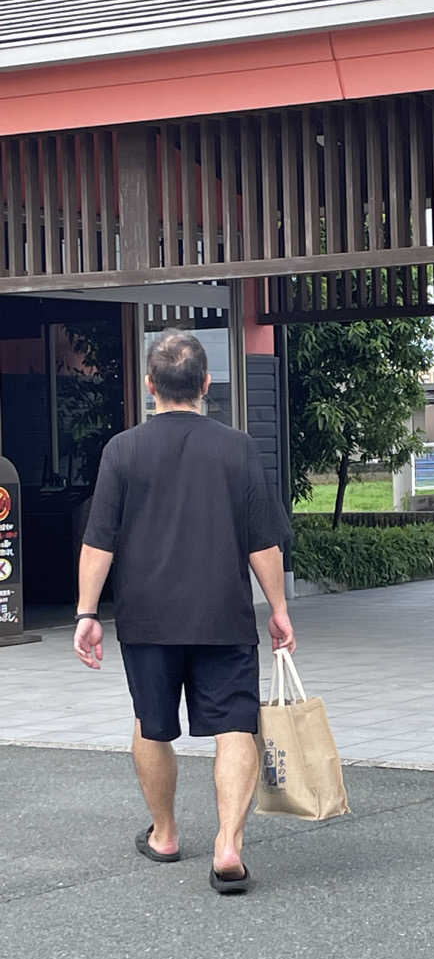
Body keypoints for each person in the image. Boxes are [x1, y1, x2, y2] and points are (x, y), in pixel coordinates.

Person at [73, 329, 294, 895]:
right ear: (206, 384)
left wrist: (86, 613)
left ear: (151, 386)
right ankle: (228, 846)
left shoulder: (121, 450)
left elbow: (100, 542)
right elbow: (261, 543)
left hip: (147, 620)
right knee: (235, 728)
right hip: (222, 616)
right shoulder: (238, 448)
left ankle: (166, 834)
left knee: (152, 725)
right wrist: (279, 610)